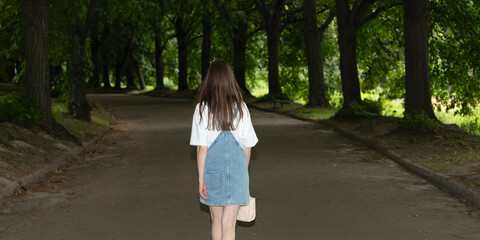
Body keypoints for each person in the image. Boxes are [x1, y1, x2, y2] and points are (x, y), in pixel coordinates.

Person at [190, 60, 258, 240]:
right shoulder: (242, 108)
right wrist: (243, 171)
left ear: (209, 80)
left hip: (212, 173)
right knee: (229, 223)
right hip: (238, 172)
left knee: (216, 220)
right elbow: (248, 146)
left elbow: (201, 149)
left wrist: (200, 179)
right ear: (230, 80)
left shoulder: (202, 109)